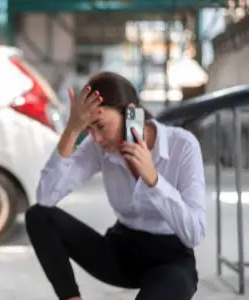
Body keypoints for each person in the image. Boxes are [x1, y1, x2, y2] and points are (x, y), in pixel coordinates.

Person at [25, 71, 206, 300]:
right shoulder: (97, 147)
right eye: (88, 129)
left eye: (100, 125)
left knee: (173, 283)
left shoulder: (182, 146)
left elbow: (194, 234)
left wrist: (154, 180)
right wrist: (72, 130)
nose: (97, 138)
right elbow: (46, 197)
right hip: (120, 251)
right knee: (38, 216)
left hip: (170, 260)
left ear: (131, 112)